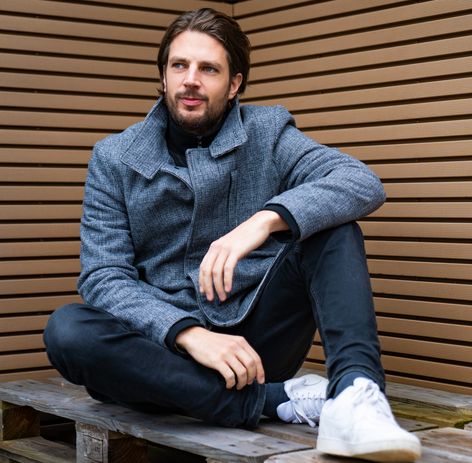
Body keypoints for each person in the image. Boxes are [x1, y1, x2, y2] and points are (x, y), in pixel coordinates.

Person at [42, 7, 421, 462]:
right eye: (179, 65)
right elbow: (104, 276)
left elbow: (360, 182)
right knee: (68, 330)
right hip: (160, 354)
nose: (190, 80)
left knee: (334, 227)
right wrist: (187, 333)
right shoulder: (114, 157)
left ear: (234, 83)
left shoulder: (267, 133)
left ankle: (357, 395)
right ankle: (275, 401)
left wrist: (263, 221)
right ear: (163, 76)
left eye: (209, 69)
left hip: (255, 350)